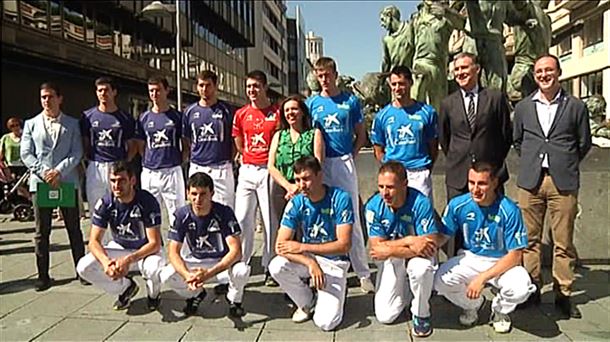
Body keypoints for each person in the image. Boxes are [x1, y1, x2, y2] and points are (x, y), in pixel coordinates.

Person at [513, 54, 592, 319]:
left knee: (563, 242)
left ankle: (563, 293)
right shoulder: (524, 107)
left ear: (558, 72)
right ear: (534, 76)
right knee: (529, 240)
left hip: (563, 181)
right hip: (530, 182)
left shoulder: (576, 106)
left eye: (549, 70)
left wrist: (565, 162)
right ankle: (532, 288)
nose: (544, 75)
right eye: (539, 72)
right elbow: (518, 141)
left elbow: (583, 143)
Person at [434, 162, 536, 334]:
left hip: (502, 262)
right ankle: (473, 304)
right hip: (470, 258)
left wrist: (482, 279)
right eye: (471, 183)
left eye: (481, 183)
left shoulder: (509, 210)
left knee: (522, 289)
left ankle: (500, 310)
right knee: (439, 281)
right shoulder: (458, 205)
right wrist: (417, 246)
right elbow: (442, 236)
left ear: (494, 183)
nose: (475, 189)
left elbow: (515, 256)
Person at [306, 57, 374, 293]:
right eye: (319, 75)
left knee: (352, 215)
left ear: (335, 74)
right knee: (320, 216)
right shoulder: (312, 103)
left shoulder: (350, 101)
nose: (323, 79)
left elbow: (361, 133)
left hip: (344, 161)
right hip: (320, 165)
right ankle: (323, 268)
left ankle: (363, 273)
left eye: (326, 75)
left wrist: (352, 155)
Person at [268, 156, 353, 331]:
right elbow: (280, 245)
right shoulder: (296, 202)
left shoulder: (340, 198)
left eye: (306, 178)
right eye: (298, 180)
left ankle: (335, 291)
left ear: (320, 176)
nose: (301, 185)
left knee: (326, 323)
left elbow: (344, 245)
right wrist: (309, 261)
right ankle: (307, 301)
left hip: (334, 261)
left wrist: (303, 247)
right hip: (310, 259)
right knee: (276, 266)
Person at [20, 82, 86, 291]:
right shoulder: (31, 124)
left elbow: (76, 152)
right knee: (42, 232)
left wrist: (59, 171)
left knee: (74, 229)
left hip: (65, 181)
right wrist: (44, 172)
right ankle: (43, 275)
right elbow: (26, 153)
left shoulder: (72, 124)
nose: (46, 101)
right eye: (43, 97)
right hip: (41, 184)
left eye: (50, 96)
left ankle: (81, 271)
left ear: (60, 98)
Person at [364, 161, 440, 337]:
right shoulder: (373, 206)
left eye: (390, 187)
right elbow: (377, 248)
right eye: (381, 186)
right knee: (385, 316)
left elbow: (430, 245)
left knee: (421, 269)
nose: (385, 192)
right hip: (395, 256)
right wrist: (409, 240)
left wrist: (389, 248)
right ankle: (409, 289)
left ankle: (421, 314)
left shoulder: (421, 202)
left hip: (416, 257)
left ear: (404, 184)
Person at [160, 172, 249, 317]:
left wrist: (208, 274)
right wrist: (187, 275)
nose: (198, 199)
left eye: (203, 194)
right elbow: (173, 252)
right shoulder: (182, 215)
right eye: (194, 194)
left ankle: (234, 300)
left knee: (242, 270)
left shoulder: (224, 212)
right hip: (195, 262)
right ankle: (195, 294)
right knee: (166, 275)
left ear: (212, 193)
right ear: (187, 193)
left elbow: (236, 251)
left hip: (220, 264)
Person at [76, 161, 163, 310]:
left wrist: (128, 260)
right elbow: (93, 241)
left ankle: (154, 296)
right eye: (113, 181)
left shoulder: (147, 201)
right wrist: (106, 263)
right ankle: (125, 288)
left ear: (132, 180)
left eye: (122, 180)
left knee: (153, 268)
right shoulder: (105, 203)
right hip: (120, 248)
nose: (117, 185)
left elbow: (154, 243)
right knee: (83, 267)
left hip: (145, 251)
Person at [231, 70, 280, 286]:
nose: (252, 90)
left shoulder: (276, 112)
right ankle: (242, 262)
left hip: (268, 170)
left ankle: (270, 265)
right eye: (249, 86)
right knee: (242, 218)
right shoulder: (241, 113)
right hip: (248, 169)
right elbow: (238, 139)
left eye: (256, 86)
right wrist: (244, 156)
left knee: (270, 221)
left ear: (265, 87)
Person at [370, 66, 438, 198]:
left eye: (401, 84)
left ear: (410, 83)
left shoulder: (427, 112)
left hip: (419, 173)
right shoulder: (382, 116)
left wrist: (426, 167)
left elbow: (433, 146)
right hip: (394, 175)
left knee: (421, 214)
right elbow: (378, 149)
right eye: (394, 84)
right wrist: (389, 167)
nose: (397, 88)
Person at [268, 95, 324, 241]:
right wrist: (288, 187)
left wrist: (299, 187)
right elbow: (271, 165)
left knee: (306, 228)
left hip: (307, 188)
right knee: (285, 229)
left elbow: (318, 163)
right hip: (281, 189)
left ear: (303, 112)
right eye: (287, 110)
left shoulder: (314, 134)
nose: (290, 113)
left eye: (294, 109)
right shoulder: (279, 135)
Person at [81, 77, 137, 213]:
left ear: (114, 92)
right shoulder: (88, 116)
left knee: (121, 206)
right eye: (100, 90)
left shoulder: (125, 117)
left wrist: (124, 162)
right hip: (96, 166)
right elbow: (85, 143)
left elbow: (132, 145)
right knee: (97, 207)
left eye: (106, 90)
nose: (103, 93)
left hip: (117, 166)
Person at [135, 76, 185, 227]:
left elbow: (185, 144)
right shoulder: (143, 118)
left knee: (177, 216)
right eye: (151, 91)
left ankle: (180, 251)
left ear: (166, 91)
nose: (154, 94)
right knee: (149, 217)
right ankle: (154, 250)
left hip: (172, 171)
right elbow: (140, 146)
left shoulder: (177, 117)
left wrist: (177, 161)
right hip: (150, 172)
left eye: (157, 90)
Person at [183, 70, 236, 208]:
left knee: (226, 209)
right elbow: (187, 140)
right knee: (198, 208)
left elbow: (234, 139)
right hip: (198, 166)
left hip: (222, 168)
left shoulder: (227, 110)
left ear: (215, 86)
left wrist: (230, 160)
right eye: (201, 85)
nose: (204, 89)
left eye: (208, 85)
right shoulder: (189, 111)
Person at [380, 5, 414, 73]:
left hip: (410, 77)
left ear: (389, 15)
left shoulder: (410, 29)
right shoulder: (386, 39)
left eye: (383, 20)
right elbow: (386, 62)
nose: (382, 24)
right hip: (395, 78)